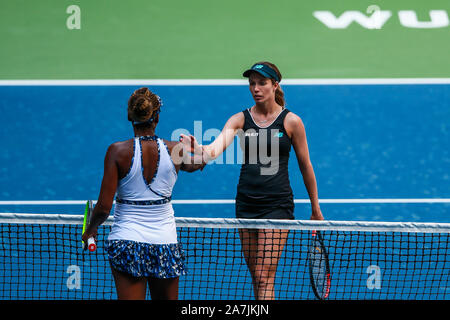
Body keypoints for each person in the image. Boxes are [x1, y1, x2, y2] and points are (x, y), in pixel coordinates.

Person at [180, 61, 324, 300]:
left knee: (263, 276)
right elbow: (214, 150)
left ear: (275, 85)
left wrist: (315, 208)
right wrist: (200, 148)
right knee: (257, 278)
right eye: (252, 83)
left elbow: (305, 166)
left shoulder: (291, 122)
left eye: (262, 83)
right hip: (246, 204)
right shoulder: (240, 119)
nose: (256, 88)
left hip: (277, 205)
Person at [82, 87, 205, 300]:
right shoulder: (176, 149)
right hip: (165, 243)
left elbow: (103, 208)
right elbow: (198, 164)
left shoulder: (117, 151)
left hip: (126, 241)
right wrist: (199, 150)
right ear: (156, 118)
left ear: (130, 116)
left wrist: (90, 231)